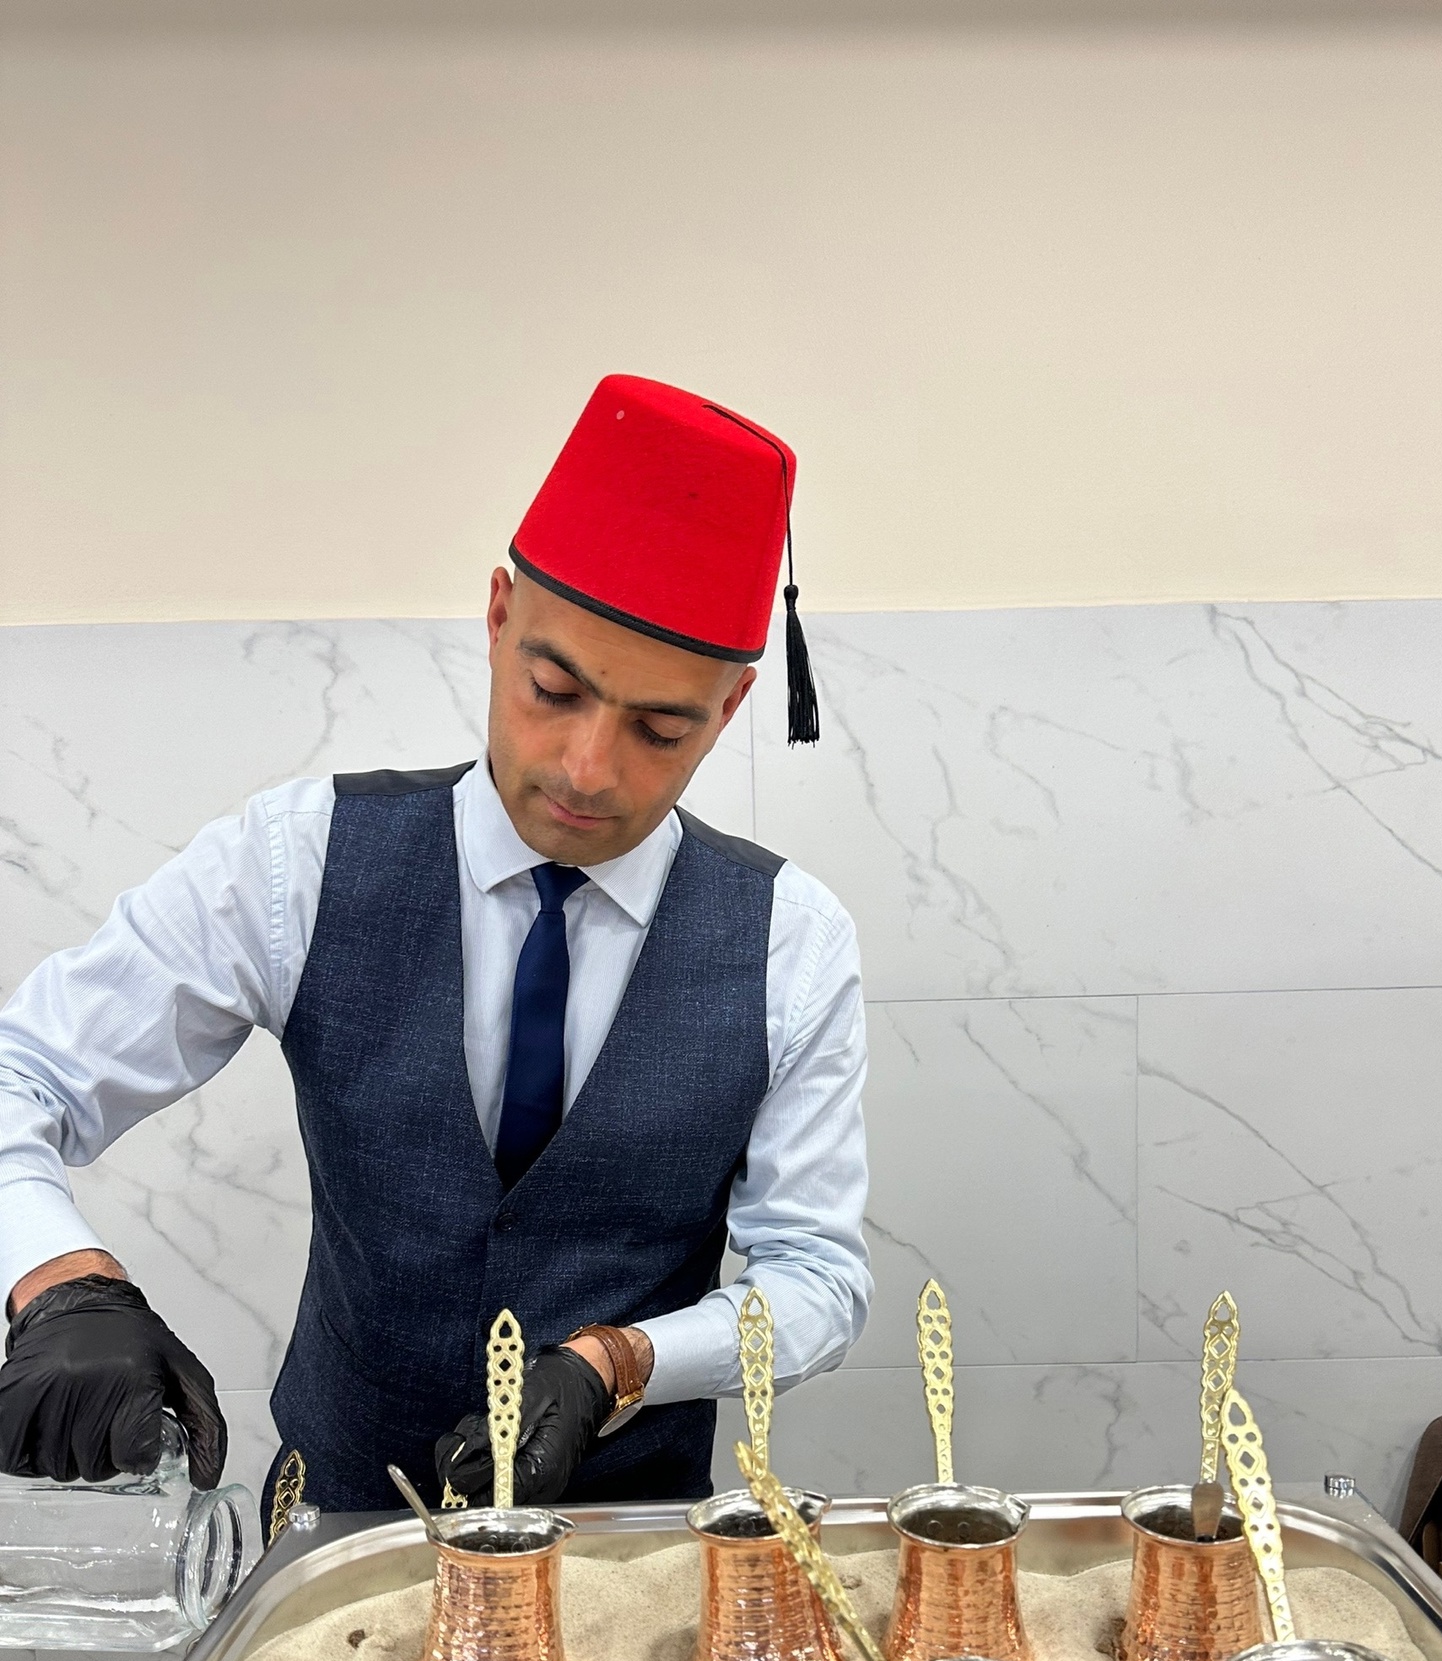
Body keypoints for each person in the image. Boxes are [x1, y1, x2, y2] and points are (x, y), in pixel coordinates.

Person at [0, 376, 871, 1522]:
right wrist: (62, 1281)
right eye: (553, 689)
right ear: (499, 617)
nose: (586, 769)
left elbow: (818, 1279)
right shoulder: (299, 859)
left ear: (733, 707)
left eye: (661, 729)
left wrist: (621, 1362)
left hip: (623, 1543)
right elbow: (25, 1073)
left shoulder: (789, 941)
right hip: (336, 1519)